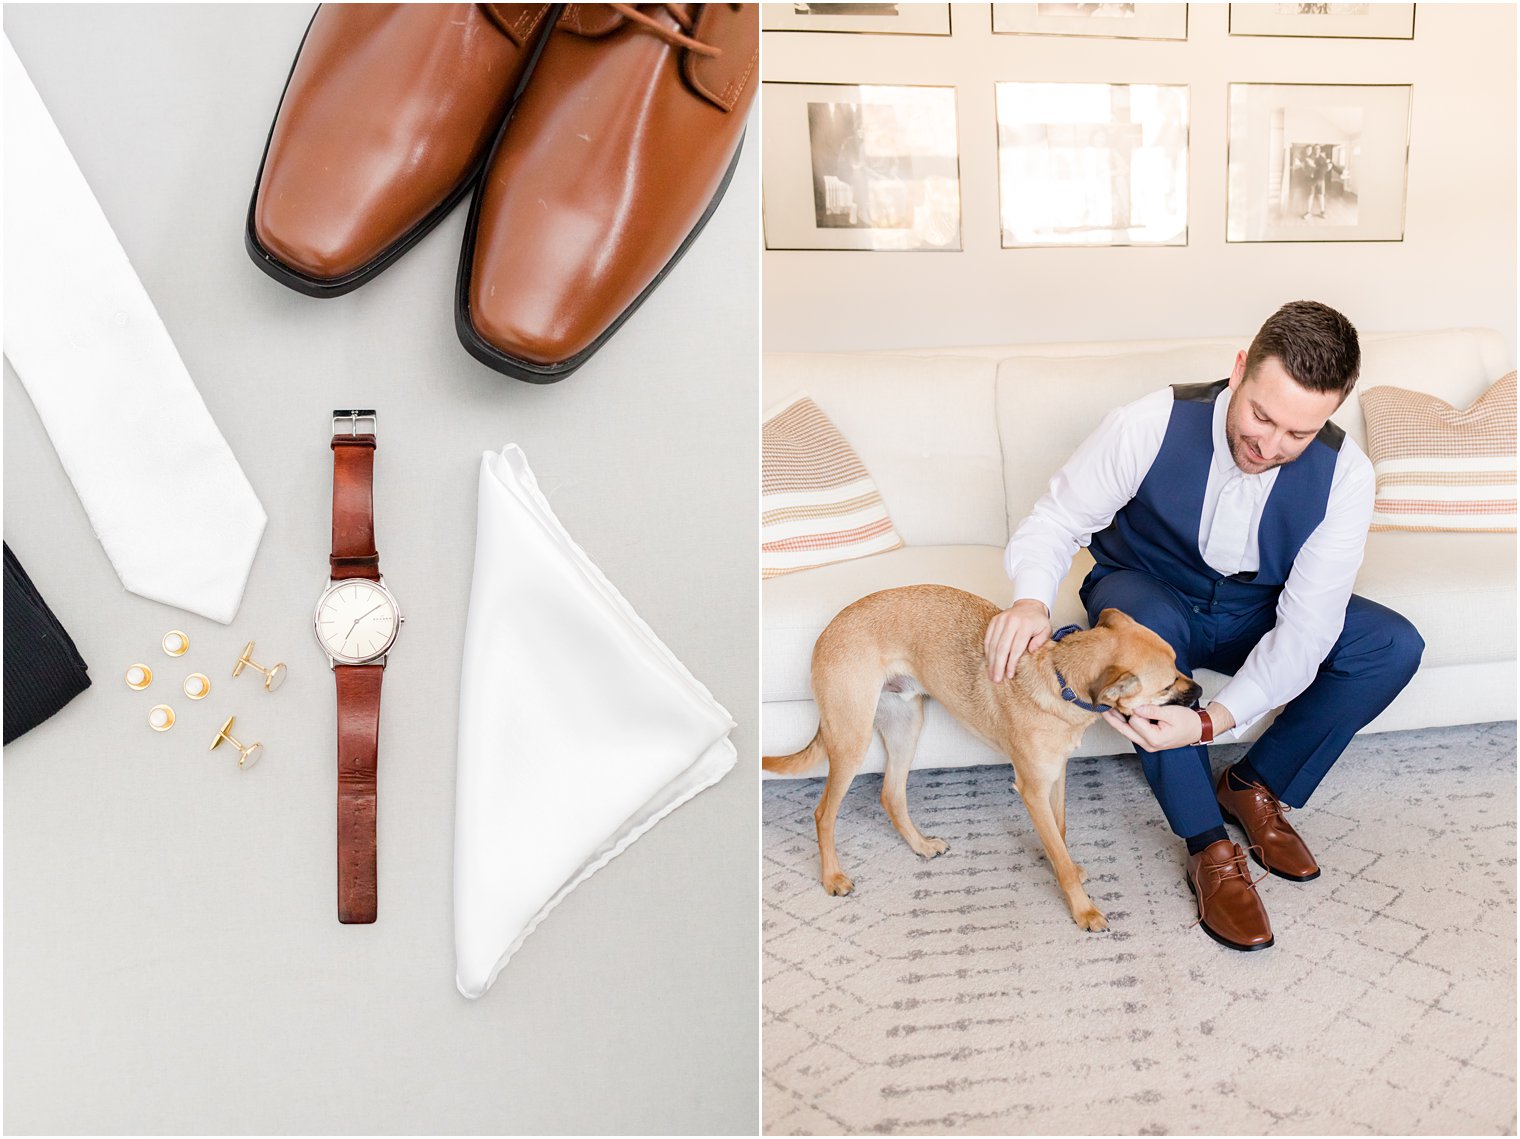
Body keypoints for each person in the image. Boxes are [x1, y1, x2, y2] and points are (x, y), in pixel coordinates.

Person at [983, 301, 1423, 951]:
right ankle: (1208, 843)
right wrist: (1028, 602)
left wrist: (1215, 721)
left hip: (1256, 608)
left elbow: (1305, 631)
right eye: (1261, 415)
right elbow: (1056, 521)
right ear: (1240, 367)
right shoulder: (1149, 423)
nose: (1270, 446)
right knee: (1154, 631)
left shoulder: (1346, 477)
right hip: (1144, 588)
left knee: (1390, 644)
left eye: (1297, 434)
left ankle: (1252, 784)